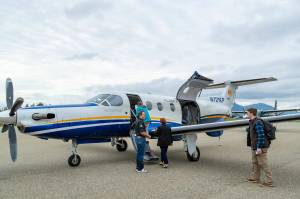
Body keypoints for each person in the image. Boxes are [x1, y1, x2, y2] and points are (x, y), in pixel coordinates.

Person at [246, 108, 273, 187]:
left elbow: (261, 136)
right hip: (254, 146)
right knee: (255, 162)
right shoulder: (251, 122)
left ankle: (269, 181)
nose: (246, 114)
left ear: (251, 113)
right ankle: (255, 178)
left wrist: (259, 148)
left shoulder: (257, 122)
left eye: (247, 113)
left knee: (263, 164)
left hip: (260, 146)